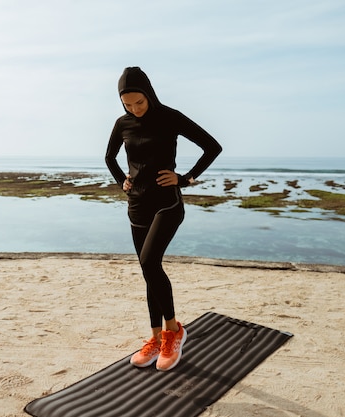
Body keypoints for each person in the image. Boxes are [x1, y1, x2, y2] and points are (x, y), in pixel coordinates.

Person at [105, 67, 222, 371]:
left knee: (149, 263)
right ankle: (156, 338)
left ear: (149, 94)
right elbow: (110, 157)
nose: (134, 109)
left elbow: (212, 147)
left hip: (166, 205)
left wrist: (185, 179)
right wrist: (122, 181)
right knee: (148, 270)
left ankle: (174, 330)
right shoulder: (123, 123)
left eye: (139, 103)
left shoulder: (170, 117)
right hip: (137, 206)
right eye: (127, 104)